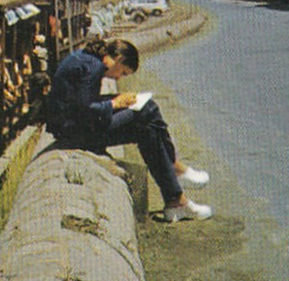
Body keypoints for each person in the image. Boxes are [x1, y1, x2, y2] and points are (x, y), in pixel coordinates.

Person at [44, 37, 212, 221]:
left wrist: (117, 101)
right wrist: (114, 104)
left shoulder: (87, 58)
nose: (118, 77)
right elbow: (85, 111)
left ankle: (175, 195)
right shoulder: (94, 67)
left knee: (147, 125)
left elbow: (80, 102)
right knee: (146, 111)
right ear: (118, 59)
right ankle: (174, 177)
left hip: (72, 126)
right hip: (75, 133)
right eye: (123, 72)